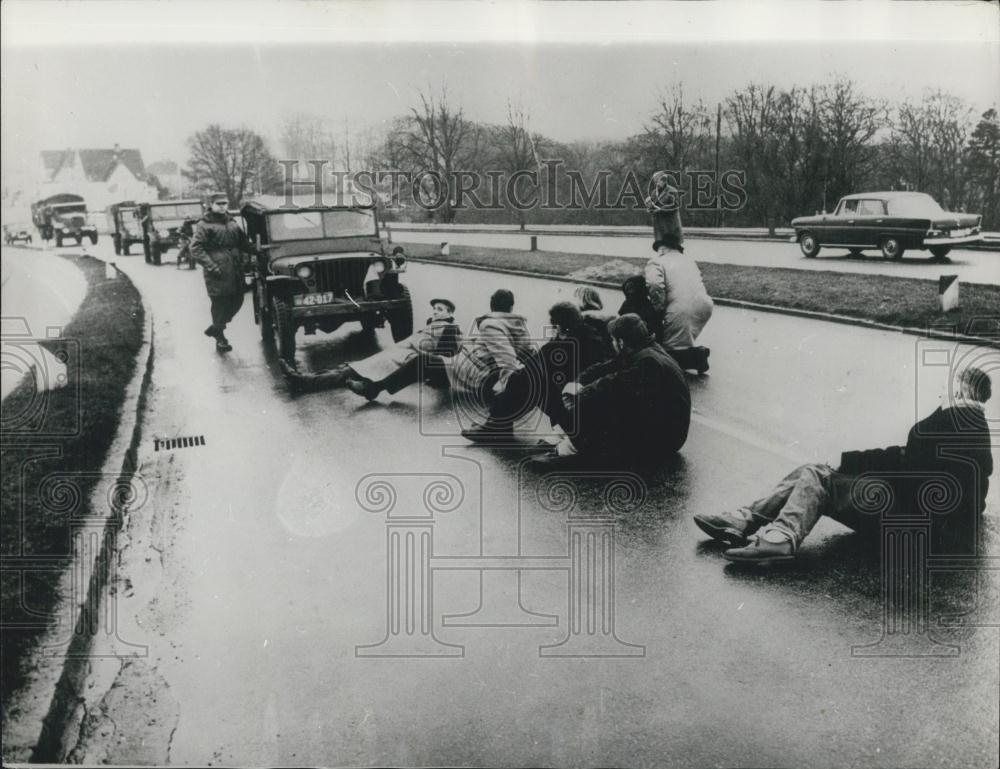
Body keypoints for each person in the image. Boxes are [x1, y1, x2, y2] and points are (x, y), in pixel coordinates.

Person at [694, 366, 994, 565]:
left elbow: (904, 466)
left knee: (817, 476)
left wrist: (848, 470)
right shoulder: (973, 429)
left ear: (958, 392)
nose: (941, 392)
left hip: (906, 523)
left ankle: (781, 537)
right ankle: (744, 520)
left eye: (947, 387)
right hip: (924, 523)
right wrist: (848, 464)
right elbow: (914, 465)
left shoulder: (942, 425)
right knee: (816, 471)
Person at [531, 314, 691, 467]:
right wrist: (578, 383)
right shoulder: (645, 350)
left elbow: (611, 385)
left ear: (621, 342)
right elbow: (604, 368)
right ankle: (568, 434)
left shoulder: (648, 363)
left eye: (613, 340)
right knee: (601, 395)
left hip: (665, 440)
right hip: (667, 431)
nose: (612, 344)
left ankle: (571, 449)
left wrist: (579, 396)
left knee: (603, 399)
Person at [463, 301, 614, 442]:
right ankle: (498, 423)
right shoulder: (590, 336)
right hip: (588, 401)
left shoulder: (562, 345)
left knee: (525, 380)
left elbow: (532, 367)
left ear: (559, 326)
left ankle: (498, 424)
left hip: (576, 408)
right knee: (529, 379)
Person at [343, 298, 462, 400]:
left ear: (450, 313)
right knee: (354, 370)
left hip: (408, 358)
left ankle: (370, 388)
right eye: (434, 309)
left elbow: (444, 358)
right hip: (402, 355)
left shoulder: (450, 329)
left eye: (440, 309)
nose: (435, 312)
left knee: (349, 372)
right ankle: (366, 385)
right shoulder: (433, 325)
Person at [190, 193, 251, 352]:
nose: (223, 206)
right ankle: (220, 340)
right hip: (217, 271)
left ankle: (216, 327)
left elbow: (243, 242)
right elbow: (196, 248)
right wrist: (211, 266)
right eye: (219, 204)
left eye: (225, 203)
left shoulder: (232, 222)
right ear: (211, 205)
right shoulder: (204, 225)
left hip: (236, 269)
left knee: (238, 300)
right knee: (219, 304)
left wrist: (256, 250)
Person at [644, 238, 713, 374]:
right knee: (681, 342)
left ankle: (698, 356)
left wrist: (658, 308)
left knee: (670, 348)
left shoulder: (656, 261)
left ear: (662, 249)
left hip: (680, 308)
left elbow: (654, 285)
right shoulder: (688, 260)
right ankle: (696, 356)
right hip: (704, 304)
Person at [645, 170, 684, 250]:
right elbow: (653, 205)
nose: (656, 184)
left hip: (670, 226)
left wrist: (660, 210)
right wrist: (649, 208)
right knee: (661, 249)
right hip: (659, 227)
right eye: (655, 182)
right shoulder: (653, 193)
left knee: (674, 250)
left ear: (664, 181)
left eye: (658, 182)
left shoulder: (672, 191)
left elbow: (675, 206)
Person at [618, 275, 663, 343]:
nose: (630, 292)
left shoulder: (647, 306)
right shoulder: (628, 304)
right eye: (629, 290)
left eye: (632, 290)